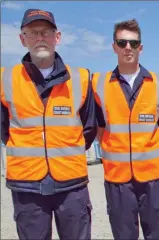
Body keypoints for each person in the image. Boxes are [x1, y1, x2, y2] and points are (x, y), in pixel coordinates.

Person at [0, 9, 96, 239]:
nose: (40, 38)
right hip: (26, 184)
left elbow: (89, 128)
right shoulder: (6, 80)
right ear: (22, 39)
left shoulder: (81, 79)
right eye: (32, 33)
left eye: (46, 32)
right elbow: (4, 129)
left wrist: (64, 152)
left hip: (72, 184)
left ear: (57, 37)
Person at [91, 19, 159, 239]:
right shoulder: (98, 84)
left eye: (133, 43)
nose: (128, 47)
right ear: (114, 46)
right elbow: (99, 128)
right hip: (117, 179)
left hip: (153, 178)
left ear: (141, 47)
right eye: (122, 42)